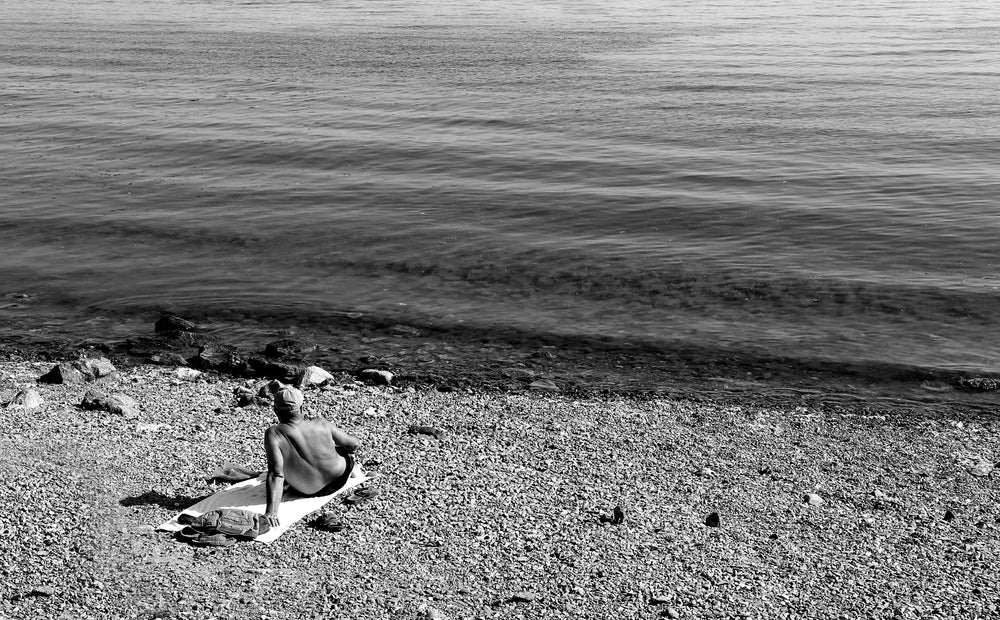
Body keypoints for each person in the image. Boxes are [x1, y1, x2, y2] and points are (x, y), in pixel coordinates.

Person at [263, 385, 361, 528]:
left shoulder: (274, 434)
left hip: (309, 490)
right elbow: (354, 445)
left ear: (276, 410)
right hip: (340, 478)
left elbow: (276, 474)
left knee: (286, 465)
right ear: (302, 408)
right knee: (339, 448)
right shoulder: (321, 424)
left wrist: (271, 512)